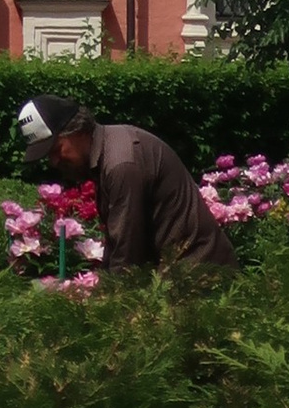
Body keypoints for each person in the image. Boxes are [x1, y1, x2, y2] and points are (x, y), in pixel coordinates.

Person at [18, 94, 236, 278]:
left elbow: (127, 254)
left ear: (76, 131)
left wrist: (107, 307)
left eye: (57, 149)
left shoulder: (121, 164)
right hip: (182, 275)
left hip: (200, 280)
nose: (54, 161)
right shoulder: (108, 150)